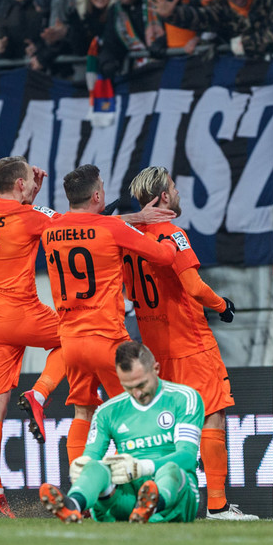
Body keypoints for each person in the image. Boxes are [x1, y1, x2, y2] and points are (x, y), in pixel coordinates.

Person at [126, 166, 258, 519]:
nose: (179, 193)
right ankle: (217, 505)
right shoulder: (172, 234)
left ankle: (160, 499)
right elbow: (195, 287)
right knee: (212, 417)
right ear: (164, 197)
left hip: (156, 349)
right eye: (174, 187)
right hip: (191, 344)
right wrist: (223, 305)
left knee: (167, 427)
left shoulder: (128, 241)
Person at [40, 164, 179, 464]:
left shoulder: (50, 230)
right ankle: (128, 486)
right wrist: (169, 235)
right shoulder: (112, 228)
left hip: (72, 345)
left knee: (83, 412)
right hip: (107, 340)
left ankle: (79, 487)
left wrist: (131, 219)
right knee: (131, 409)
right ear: (97, 195)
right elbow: (164, 256)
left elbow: (84, 226)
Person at [0, 156, 66, 517]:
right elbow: (71, 225)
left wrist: (30, 195)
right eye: (30, 177)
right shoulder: (28, 216)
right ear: (20, 185)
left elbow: (12, 215)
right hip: (22, 312)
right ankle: (40, 393)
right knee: (78, 336)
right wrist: (36, 201)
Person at [39, 341, 204, 523]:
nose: (137, 394)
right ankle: (73, 505)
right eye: (128, 387)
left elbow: (187, 457)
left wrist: (142, 467)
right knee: (97, 467)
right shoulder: (107, 411)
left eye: (141, 385)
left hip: (175, 496)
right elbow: (91, 455)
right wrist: (83, 467)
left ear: (156, 369)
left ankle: (152, 505)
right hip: (129, 495)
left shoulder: (184, 398)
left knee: (171, 470)